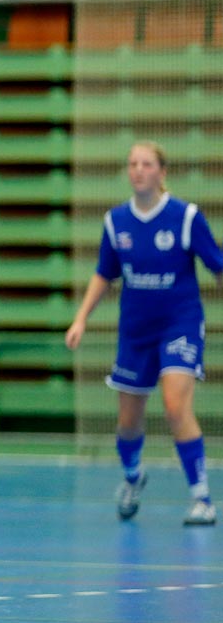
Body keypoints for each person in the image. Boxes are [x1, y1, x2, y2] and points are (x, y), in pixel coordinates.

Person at [66, 141, 222, 526]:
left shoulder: (186, 217)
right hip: (136, 332)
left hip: (180, 324)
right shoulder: (116, 222)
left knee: (174, 407)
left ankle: (201, 498)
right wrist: (81, 318)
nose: (138, 170)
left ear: (162, 172)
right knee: (128, 423)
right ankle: (134, 477)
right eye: (133, 163)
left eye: (147, 163)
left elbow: (218, 268)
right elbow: (105, 273)